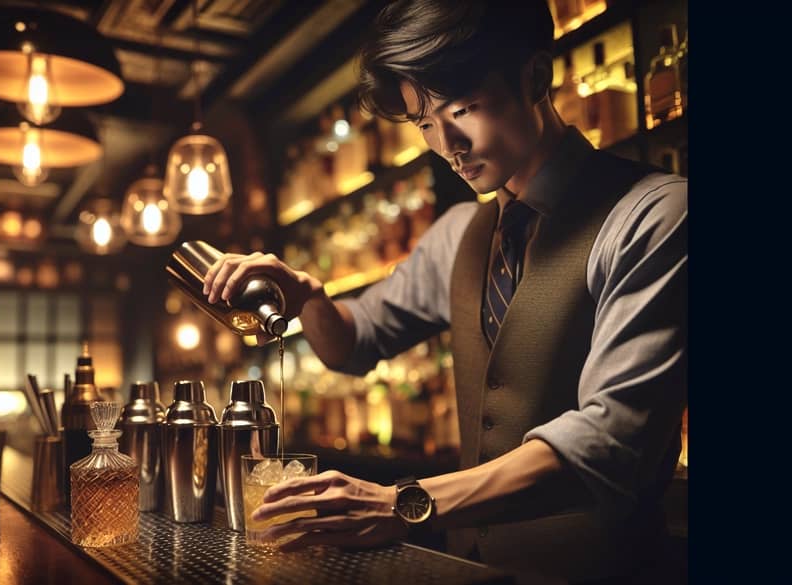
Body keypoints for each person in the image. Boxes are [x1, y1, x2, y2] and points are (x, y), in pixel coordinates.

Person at [201, 0, 687, 583]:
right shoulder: (458, 234)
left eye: (464, 109)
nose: (445, 144)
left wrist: (400, 502)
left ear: (536, 77)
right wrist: (309, 299)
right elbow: (351, 345)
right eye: (424, 123)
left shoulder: (655, 214)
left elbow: (612, 439)